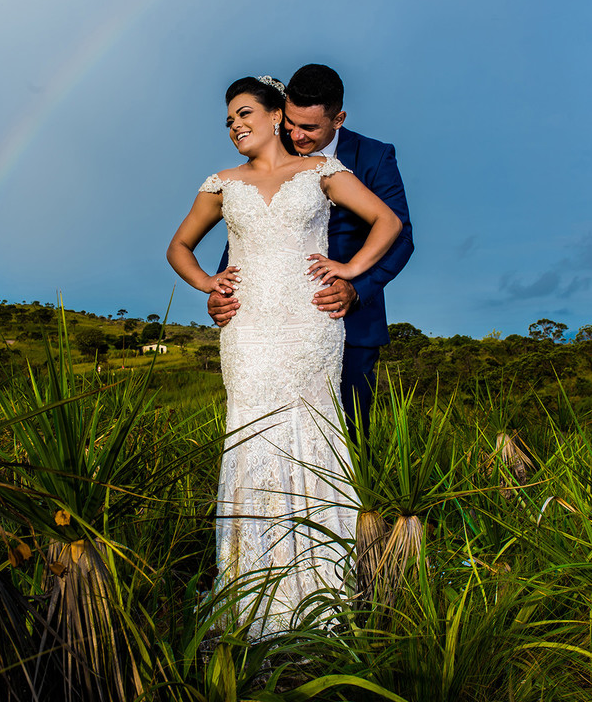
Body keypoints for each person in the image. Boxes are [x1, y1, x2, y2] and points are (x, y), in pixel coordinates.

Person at [167, 75, 401, 636]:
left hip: (310, 327)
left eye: (244, 113)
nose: (234, 126)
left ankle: (323, 589)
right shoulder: (220, 184)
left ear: (276, 115)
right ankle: (250, 590)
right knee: (251, 439)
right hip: (248, 333)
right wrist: (209, 285)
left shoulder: (322, 171)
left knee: (316, 437)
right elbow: (179, 246)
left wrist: (350, 271)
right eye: (228, 120)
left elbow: (389, 223)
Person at [208, 65, 414, 439]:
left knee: (347, 437)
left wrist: (356, 284)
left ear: (338, 118)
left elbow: (401, 236)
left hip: (349, 321)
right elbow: (248, 229)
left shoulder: (374, 156)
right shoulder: (270, 155)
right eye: (290, 124)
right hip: (268, 325)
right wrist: (221, 292)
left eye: (310, 128)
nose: (296, 136)